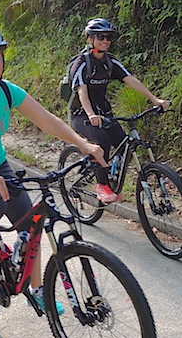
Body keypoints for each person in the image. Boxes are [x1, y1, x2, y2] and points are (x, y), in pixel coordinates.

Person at [0, 27, 105, 314]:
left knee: (31, 226)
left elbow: (47, 120)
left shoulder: (7, 91)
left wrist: (84, 144)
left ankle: (38, 290)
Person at [70, 18, 169, 203]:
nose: (106, 41)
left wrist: (155, 99)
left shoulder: (110, 62)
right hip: (82, 115)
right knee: (102, 143)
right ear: (90, 38)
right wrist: (91, 114)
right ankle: (102, 185)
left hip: (105, 114)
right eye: (101, 37)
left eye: (109, 37)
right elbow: (82, 91)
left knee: (125, 146)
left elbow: (131, 80)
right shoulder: (82, 63)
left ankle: (110, 176)